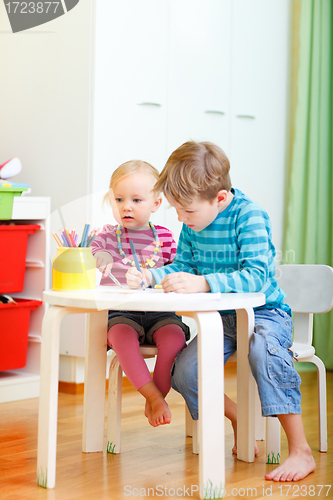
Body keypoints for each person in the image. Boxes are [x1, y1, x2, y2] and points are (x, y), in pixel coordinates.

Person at [126, 141, 316, 482]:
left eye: (188, 212)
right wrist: (152, 275)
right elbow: (183, 264)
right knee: (185, 372)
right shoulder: (194, 222)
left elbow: (258, 276)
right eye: (177, 212)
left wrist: (204, 284)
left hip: (266, 313)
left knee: (264, 351)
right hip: (223, 319)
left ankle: (300, 449)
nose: (182, 220)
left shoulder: (250, 215)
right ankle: (238, 418)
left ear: (221, 199)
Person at [91, 159, 190, 427]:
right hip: (122, 314)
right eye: (119, 199)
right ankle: (153, 396)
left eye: (136, 200)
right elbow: (94, 250)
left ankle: (158, 396)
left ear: (156, 204)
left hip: (161, 313)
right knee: (120, 336)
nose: (126, 206)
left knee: (175, 337)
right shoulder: (108, 236)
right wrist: (100, 256)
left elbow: (179, 268)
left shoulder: (166, 238)